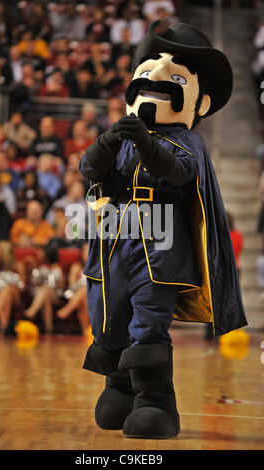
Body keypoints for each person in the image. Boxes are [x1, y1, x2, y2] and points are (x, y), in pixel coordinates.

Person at [79, 21, 247, 439]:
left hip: (159, 247)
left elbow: (179, 172)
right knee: (106, 318)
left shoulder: (187, 140)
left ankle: (156, 402)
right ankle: (118, 387)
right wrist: (107, 142)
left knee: (148, 323)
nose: (153, 79)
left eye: (172, 78)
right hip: (113, 242)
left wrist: (147, 144)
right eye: (148, 70)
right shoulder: (120, 133)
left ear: (199, 102)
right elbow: (88, 169)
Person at [0, 240, 25, 333]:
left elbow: (22, 287)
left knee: (8, 289)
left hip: (15, 293)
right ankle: (3, 330)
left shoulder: (17, 265)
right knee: (6, 295)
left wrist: (14, 285)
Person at [24, 246, 64, 334]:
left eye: (41, 252)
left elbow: (60, 286)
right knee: (46, 298)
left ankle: (32, 311)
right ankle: (49, 329)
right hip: (39, 293)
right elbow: (33, 283)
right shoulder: (38, 267)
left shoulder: (56, 267)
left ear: (46, 255)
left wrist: (46, 285)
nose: (38, 254)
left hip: (54, 294)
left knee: (45, 290)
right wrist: (34, 267)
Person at [57, 242, 89, 335]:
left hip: (93, 294)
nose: (87, 254)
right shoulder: (76, 267)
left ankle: (68, 309)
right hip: (75, 293)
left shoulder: (98, 266)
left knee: (85, 296)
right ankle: (86, 331)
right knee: (84, 294)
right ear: (81, 253)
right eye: (85, 251)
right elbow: (72, 284)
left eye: (89, 251)